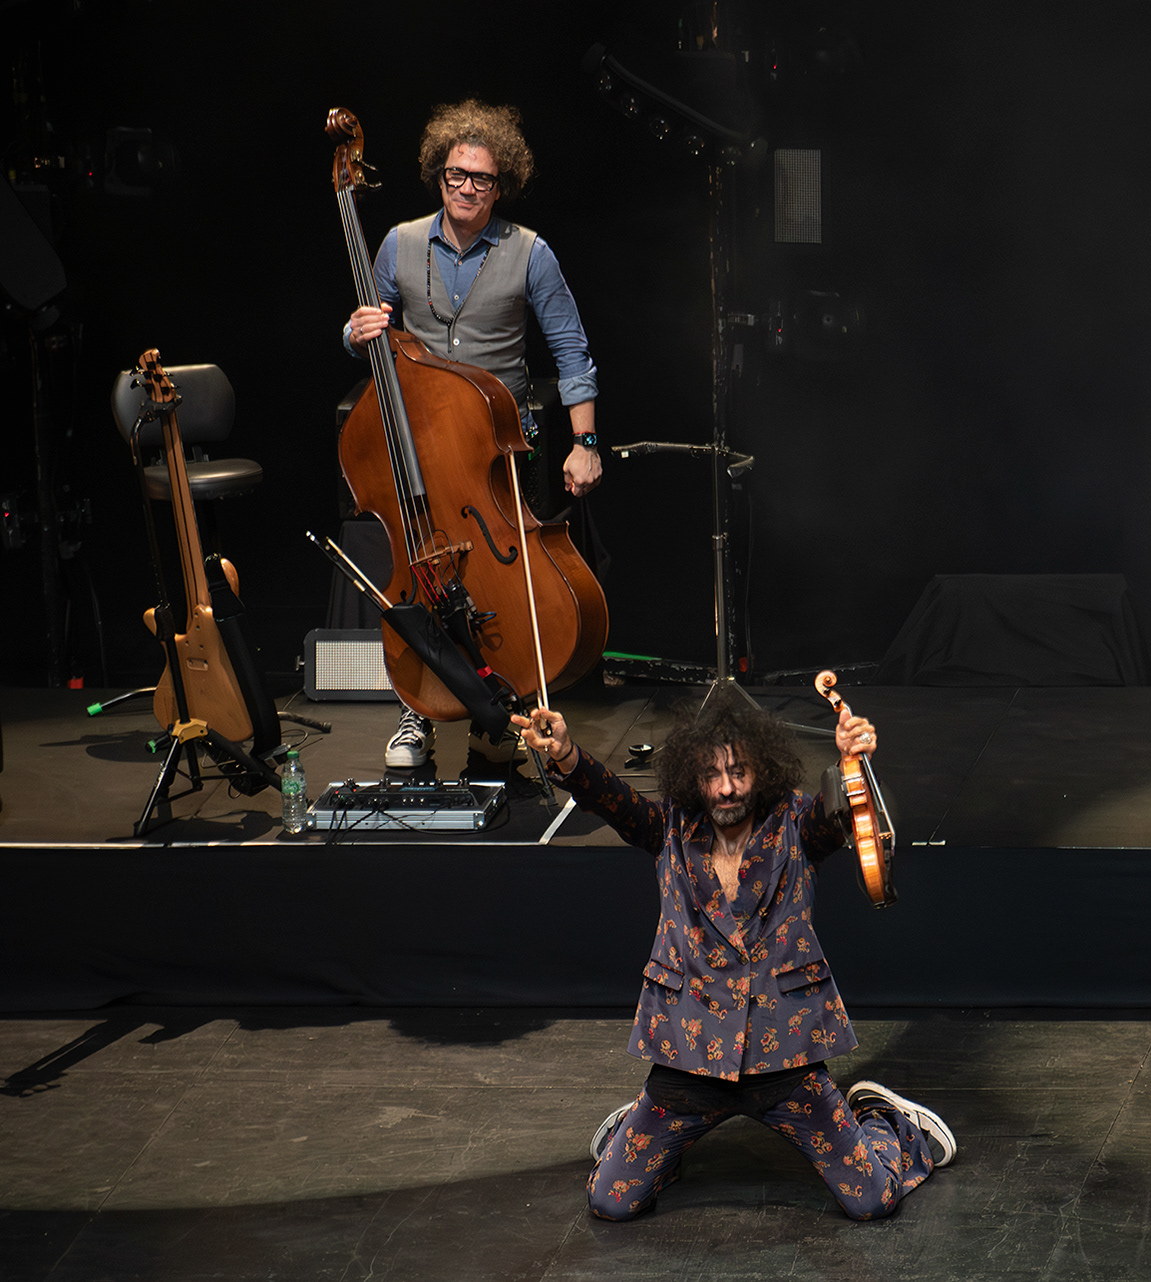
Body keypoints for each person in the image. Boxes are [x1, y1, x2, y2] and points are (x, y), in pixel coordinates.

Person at [510, 695, 955, 1221]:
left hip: (784, 1060)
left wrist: (847, 763)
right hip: (689, 1059)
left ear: (761, 770)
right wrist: (565, 753)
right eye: (712, 774)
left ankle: (881, 1118)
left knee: (873, 1201)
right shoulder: (669, 826)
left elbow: (837, 817)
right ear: (692, 777)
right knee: (610, 1202)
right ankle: (642, 1129)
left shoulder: (796, 824)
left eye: (739, 772)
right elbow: (611, 799)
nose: (726, 788)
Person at [343, 99, 603, 770]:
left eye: (481, 178)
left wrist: (585, 443)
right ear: (439, 174)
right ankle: (419, 711)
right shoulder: (399, 243)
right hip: (420, 444)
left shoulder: (530, 253)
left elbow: (572, 353)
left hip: (498, 446)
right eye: (456, 174)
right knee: (424, 574)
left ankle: (500, 717)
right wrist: (355, 331)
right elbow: (368, 330)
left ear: (499, 185)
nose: (466, 187)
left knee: (501, 588)